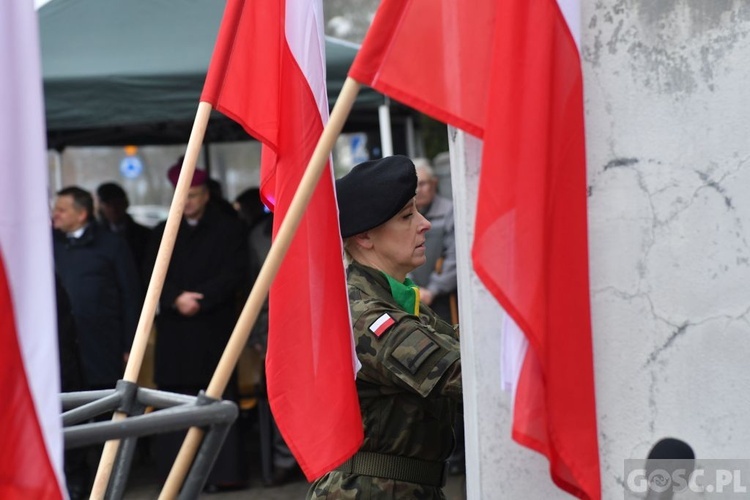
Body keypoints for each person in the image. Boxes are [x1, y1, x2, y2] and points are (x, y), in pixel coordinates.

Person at [308, 156, 462, 499]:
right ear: (365, 236)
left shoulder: (392, 299)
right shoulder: (365, 314)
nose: (424, 224)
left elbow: (456, 343)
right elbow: (460, 372)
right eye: (407, 217)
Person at [144, 164, 249, 489]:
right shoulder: (163, 231)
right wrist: (176, 298)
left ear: (205, 196)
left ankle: (221, 476)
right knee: (175, 402)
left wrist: (202, 300)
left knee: (215, 397)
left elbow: (236, 273)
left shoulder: (228, 229)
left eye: (192, 196)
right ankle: (176, 477)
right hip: (176, 332)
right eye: (182, 196)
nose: (187, 202)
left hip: (212, 327)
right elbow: (151, 272)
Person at [52, 186, 141, 390]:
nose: (55, 214)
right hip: (63, 351)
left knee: (104, 407)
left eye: (62, 210)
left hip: (102, 344)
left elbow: (130, 296)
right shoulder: (49, 245)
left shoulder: (112, 245)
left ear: (82, 214)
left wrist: (131, 345)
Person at [408, 158, 458, 325]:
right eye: (414, 185)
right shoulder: (405, 216)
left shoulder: (449, 211)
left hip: (447, 299)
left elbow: (455, 258)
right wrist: (413, 288)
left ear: (434, 183)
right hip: (414, 298)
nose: (417, 190)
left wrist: (432, 290)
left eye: (422, 184)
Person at [95, 182, 152, 272]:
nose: (113, 209)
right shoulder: (94, 236)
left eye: (117, 203)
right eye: (108, 204)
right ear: (101, 207)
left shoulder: (145, 235)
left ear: (125, 204)